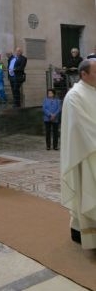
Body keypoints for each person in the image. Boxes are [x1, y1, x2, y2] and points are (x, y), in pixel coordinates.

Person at [60, 59, 96, 249]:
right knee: (87, 192)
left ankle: (80, 230)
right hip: (84, 154)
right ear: (84, 74)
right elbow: (80, 126)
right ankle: (82, 232)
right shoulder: (74, 95)